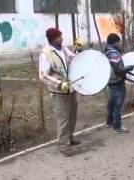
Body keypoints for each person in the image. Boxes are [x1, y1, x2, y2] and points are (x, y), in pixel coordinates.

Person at [39, 28, 80, 157]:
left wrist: (78, 48)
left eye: (61, 36)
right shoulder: (45, 54)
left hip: (71, 88)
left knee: (72, 115)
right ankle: (63, 145)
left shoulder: (63, 49)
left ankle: (70, 138)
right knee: (63, 118)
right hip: (59, 92)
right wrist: (59, 84)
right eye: (58, 37)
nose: (61, 38)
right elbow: (43, 75)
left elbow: (73, 58)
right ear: (51, 39)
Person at [105, 33, 134, 134]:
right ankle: (117, 126)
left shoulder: (107, 51)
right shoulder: (113, 53)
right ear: (115, 42)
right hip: (117, 81)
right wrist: (128, 68)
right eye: (119, 41)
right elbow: (118, 69)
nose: (120, 42)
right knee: (118, 105)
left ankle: (109, 122)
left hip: (110, 81)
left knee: (111, 103)